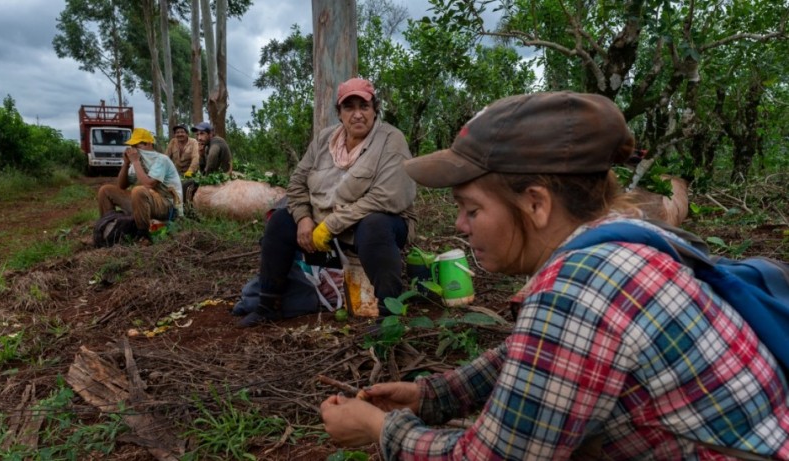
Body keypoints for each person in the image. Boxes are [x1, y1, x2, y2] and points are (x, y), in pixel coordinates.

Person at [319, 92, 789, 459]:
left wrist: (379, 429)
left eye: (472, 208)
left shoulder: (578, 288)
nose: (461, 226)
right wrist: (431, 395)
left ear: (536, 204)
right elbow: (538, 355)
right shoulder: (621, 239)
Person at [239, 77, 418, 327]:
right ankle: (268, 305)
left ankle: (389, 315)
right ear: (339, 113)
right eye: (349, 107)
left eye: (364, 106)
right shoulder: (325, 139)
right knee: (281, 221)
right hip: (326, 231)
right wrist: (303, 219)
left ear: (375, 109)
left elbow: (387, 197)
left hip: (375, 225)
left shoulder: (391, 140)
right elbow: (297, 182)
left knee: (375, 225)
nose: (357, 114)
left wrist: (331, 224)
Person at [97, 128, 184, 242]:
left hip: (167, 205)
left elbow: (149, 184)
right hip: (146, 202)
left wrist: (136, 162)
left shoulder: (161, 159)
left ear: (148, 144)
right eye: (131, 146)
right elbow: (121, 186)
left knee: (138, 190)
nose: (133, 150)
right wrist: (126, 164)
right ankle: (108, 227)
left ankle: (143, 235)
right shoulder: (138, 161)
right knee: (105, 190)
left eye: (136, 146)